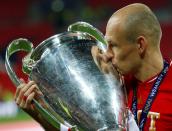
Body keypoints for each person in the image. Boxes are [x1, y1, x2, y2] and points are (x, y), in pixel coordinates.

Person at [14, 3, 172, 131]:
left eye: (113, 46)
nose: (107, 54)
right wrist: (40, 115)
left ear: (140, 44)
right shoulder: (114, 86)